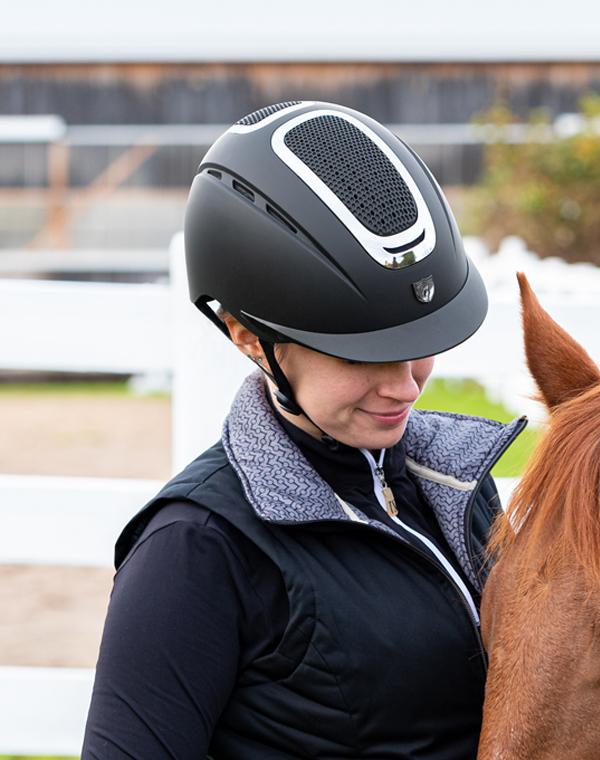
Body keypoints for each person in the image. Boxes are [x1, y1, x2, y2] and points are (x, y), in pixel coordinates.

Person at [81, 100, 527, 759]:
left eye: (420, 346)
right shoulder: (196, 550)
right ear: (248, 336)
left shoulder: (456, 486)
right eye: (361, 355)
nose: (405, 385)